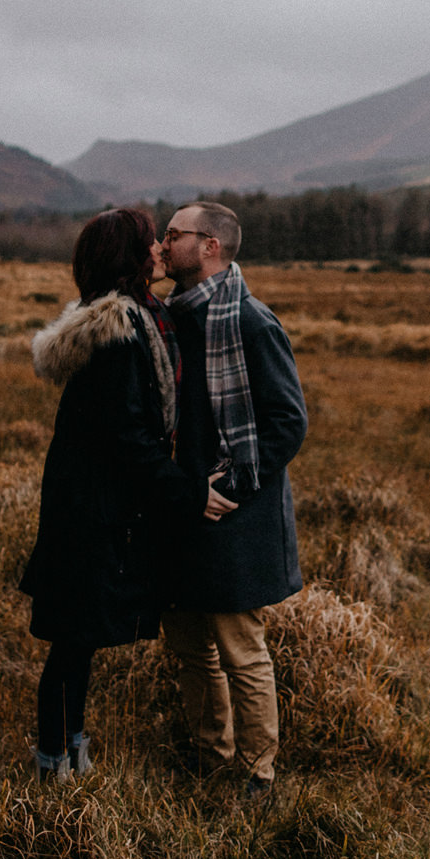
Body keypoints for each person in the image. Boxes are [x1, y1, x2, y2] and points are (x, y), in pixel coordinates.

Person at [20, 207, 216, 782]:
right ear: (128, 256)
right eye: (149, 241)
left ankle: (68, 750)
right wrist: (186, 492)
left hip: (91, 505)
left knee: (76, 640)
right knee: (72, 643)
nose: (159, 248)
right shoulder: (120, 332)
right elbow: (129, 434)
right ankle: (54, 765)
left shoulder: (132, 320)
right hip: (92, 512)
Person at [159, 200, 309, 798]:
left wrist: (229, 488)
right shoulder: (172, 318)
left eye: (174, 235)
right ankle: (209, 755)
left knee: (241, 649)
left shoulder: (250, 321)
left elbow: (288, 422)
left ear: (211, 245)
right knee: (192, 646)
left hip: (234, 517)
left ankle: (257, 774)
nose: (163, 246)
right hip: (181, 510)